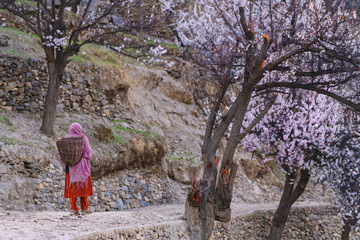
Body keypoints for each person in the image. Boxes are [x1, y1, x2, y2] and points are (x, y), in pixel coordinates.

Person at [63, 123, 93, 216]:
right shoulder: (83, 138)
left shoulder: (66, 139)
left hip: (71, 167)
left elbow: (62, 154)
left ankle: (73, 209)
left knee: (72, 188)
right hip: (82, 168)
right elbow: (87, 152)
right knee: (84, 186)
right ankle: (84, 208)